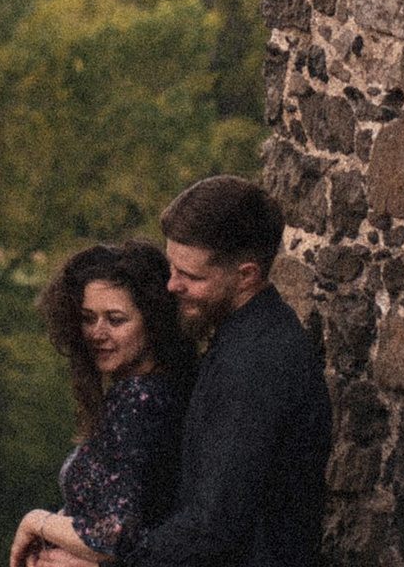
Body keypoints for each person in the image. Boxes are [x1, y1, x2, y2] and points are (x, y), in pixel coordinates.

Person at [117, 176, 332, 567]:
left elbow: (211, 528)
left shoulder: (257, 363)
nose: (171, 285)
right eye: (172, 267)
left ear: (247, 275)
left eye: (191, 277)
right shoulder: (245, 338)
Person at [9, 241, 194, 567]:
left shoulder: (139, 401)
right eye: (87, 318)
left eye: (116, 319)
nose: (97, 333)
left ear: (152, 324)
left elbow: (113, 535)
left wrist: (37, 521)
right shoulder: (162, 389)